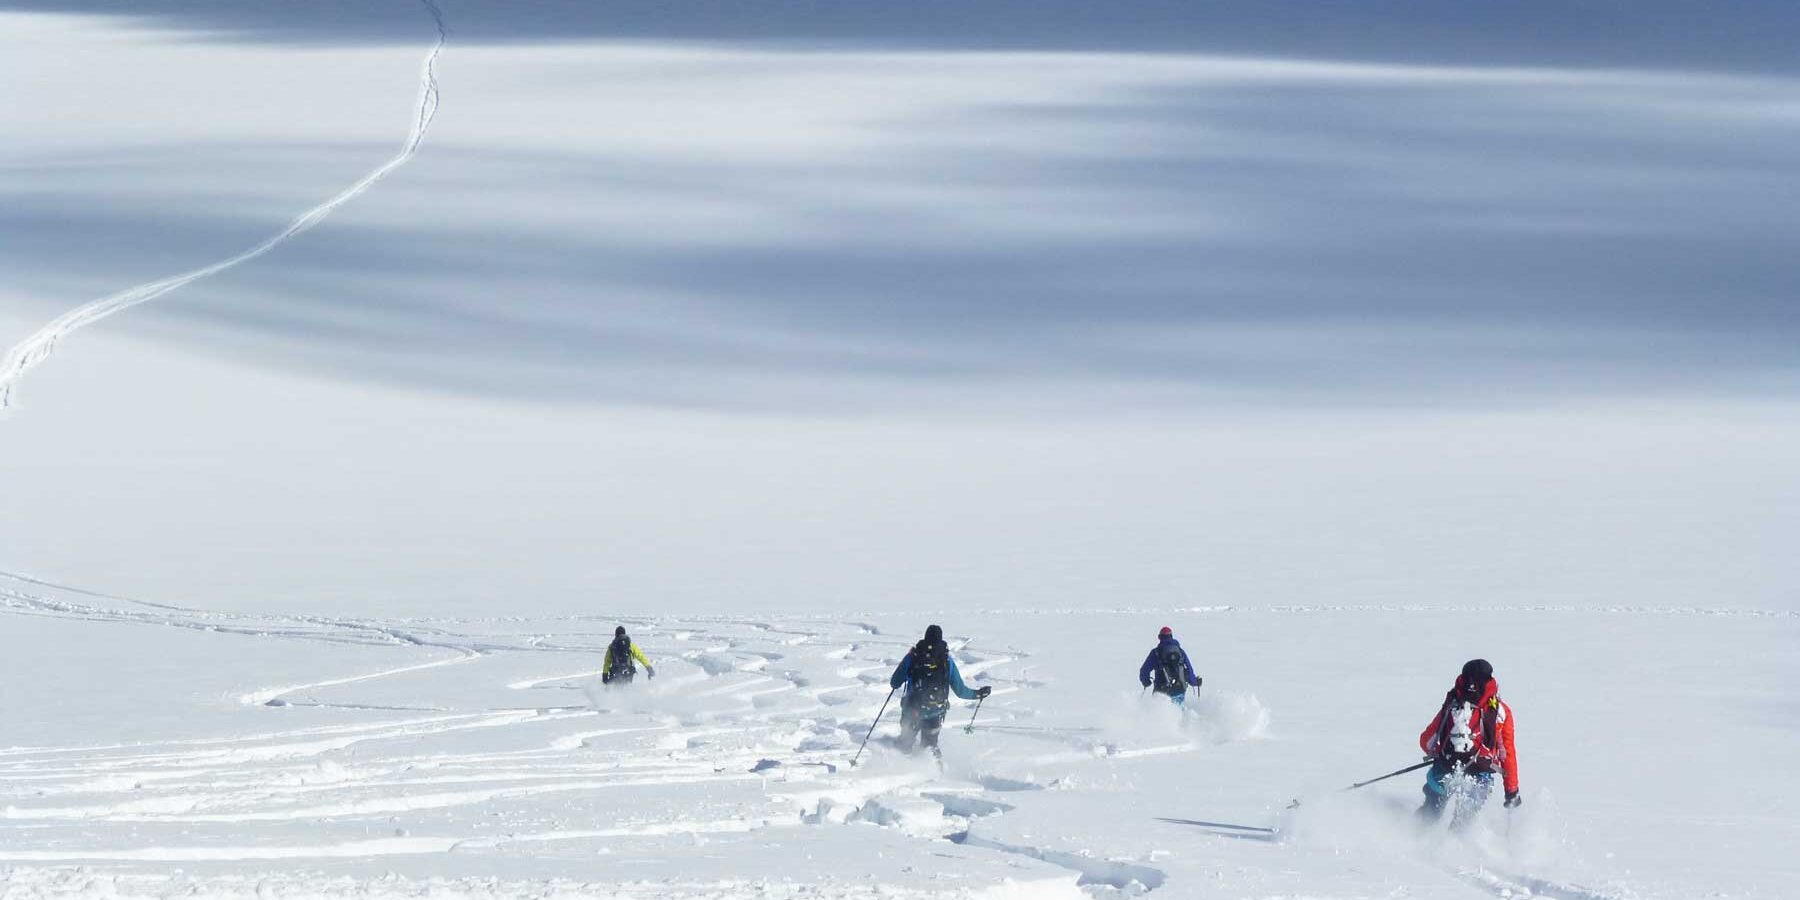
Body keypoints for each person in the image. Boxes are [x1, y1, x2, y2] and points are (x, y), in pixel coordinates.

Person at [1418, 658, 1519, 822]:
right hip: (1479, 776)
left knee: (1426, 819)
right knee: (1462, 825)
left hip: (1445, 768)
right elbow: (1507, 754)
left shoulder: (1453, 702)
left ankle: (1412, 837)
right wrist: (1511, 791)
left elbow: (1426, 740)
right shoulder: (1500, 711)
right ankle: (1455, 845)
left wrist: (1439, 754)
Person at [889, 625, 988, 756]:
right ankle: (935, 773)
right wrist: (978, 694)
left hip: (911, 711)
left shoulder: (913, 657)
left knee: (903, 746)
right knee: (929, 749)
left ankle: (898, 770)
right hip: (935, 713)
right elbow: (960, 691)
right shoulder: (946, 660)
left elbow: (894, 682)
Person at [1138, 626, 1202, 703]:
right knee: (1178, 712)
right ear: (1171, 636)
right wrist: (1195, 682)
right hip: (1179, 690)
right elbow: (1189, 670)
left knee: (1158, 713)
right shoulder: (1180, 652)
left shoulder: (1155, 652)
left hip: (1160, 692)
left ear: (1160, 638)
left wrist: (1146, 682)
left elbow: (1144, 670)